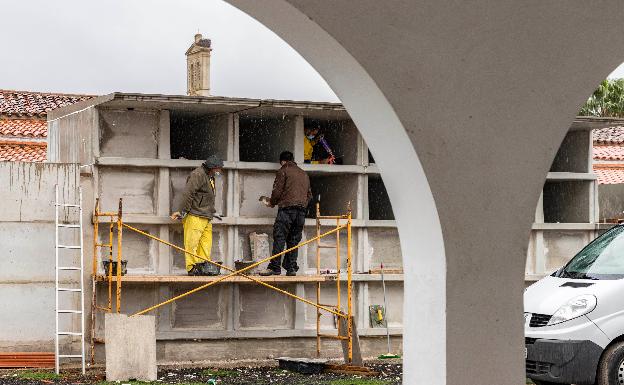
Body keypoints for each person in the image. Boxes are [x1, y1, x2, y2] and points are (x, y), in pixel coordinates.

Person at [259, 151, 312, 276]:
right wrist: (302, 206)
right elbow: (309, 195)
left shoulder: (283, 170)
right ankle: (291, 267)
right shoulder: (304, 174)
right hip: (301, 212)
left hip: (287, 210)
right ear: (293, 159)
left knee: (280, 237)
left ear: (282, 161)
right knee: (294, 240)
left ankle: (275, 267)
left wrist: (272, 202)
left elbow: (277, 192)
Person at [171, 155, 223, 276]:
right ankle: (192, 268)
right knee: (192, 244)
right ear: (212, 168)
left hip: (206, 215)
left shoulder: (210, 176)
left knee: (205, 244)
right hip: (195, 215)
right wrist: (183, 212)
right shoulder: (198, 174)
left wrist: (212, 211)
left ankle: (203, 266)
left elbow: (206, 196)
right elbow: (188, 194)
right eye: (218, 168)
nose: (219, 171)